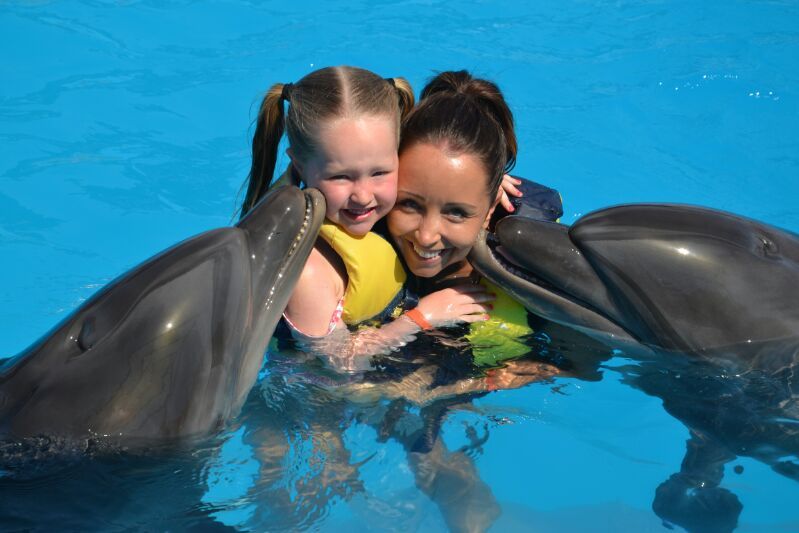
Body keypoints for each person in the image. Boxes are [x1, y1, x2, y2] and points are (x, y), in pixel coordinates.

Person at [239, 66, 496, 372]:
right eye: (340, 176)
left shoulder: (366, 215)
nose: (363, 196)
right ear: (300, 166)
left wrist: (481, 189)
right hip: (316, 405)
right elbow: (343, 365)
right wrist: (419, 319)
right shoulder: (309, 271)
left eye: (380, 172)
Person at [386, 70, 564, 370]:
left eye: (456, 212)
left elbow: (580, 365)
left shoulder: (533, 273)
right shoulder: (361, 239)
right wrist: (413, 322)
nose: (427, 236)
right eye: (409, 204)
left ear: (492, 206)